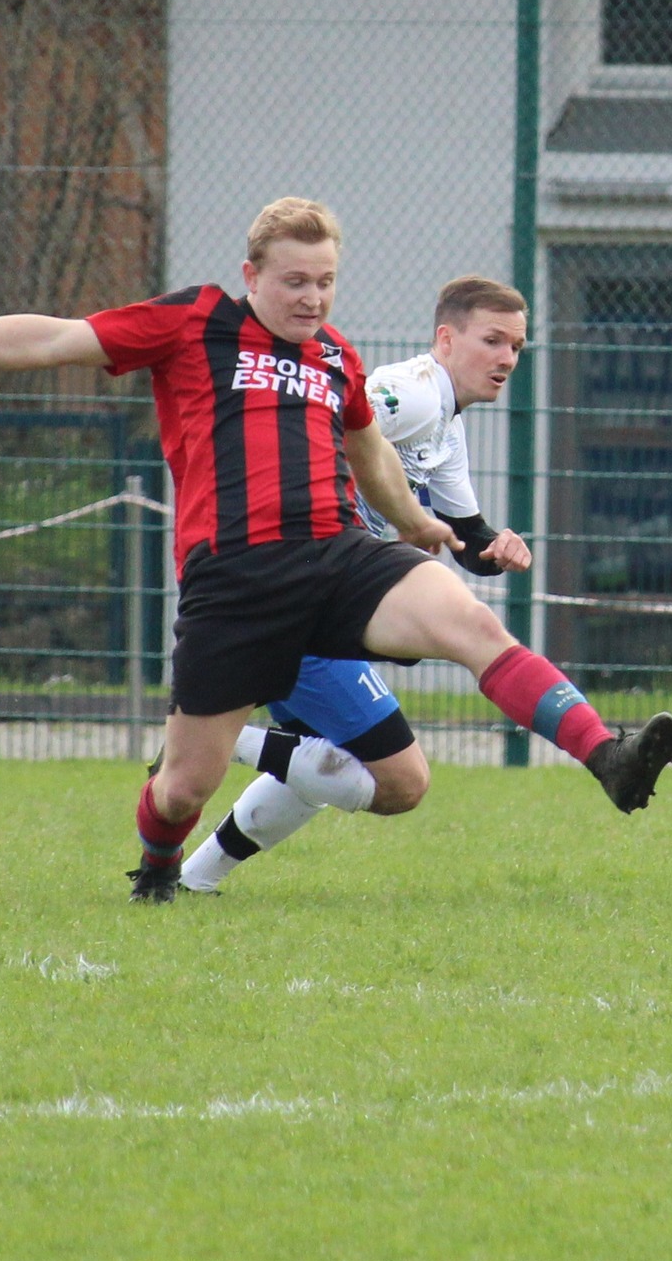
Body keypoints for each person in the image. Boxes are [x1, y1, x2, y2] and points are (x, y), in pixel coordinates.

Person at [0, 196, 672, 903]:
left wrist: (423, 530)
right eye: (294, 282)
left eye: (324, 282)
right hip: (235, 579)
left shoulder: (334, 357)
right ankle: (162, 869)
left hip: (335, 556)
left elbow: (370, 454)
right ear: (252, 277)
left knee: (470, 625)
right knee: (182, 789)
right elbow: (52, 338)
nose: (312, 298)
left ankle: (605, 755)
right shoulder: (195, 320)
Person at [180, 274, 543, 895]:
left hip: (317, 599)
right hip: (308, 597)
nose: (507, 358)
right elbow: (334, 416)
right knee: (400, 783)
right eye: (493, 341)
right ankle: (204, 738)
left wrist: (498, 550)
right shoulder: (415, 394)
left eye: (517, 346)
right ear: (446, 339)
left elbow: (465, 538)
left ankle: (195, 880)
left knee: (326, 758)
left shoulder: (446, 428)